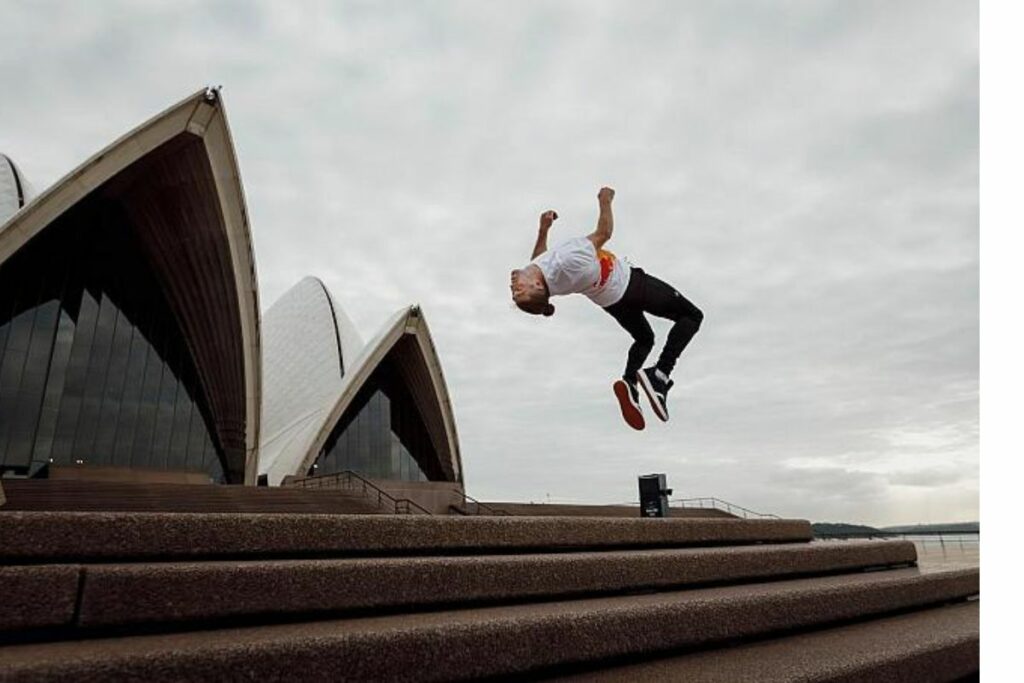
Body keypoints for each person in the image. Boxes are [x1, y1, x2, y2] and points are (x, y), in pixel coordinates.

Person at [510, 187, 704, 430]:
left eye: (514, 291)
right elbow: (604, 233)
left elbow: (538, 259)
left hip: (612, 302)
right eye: (519, 290)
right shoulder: (569, 260)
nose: (513, 286)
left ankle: (630, 383)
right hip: (630, 285)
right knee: (692, 316)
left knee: (645, 339)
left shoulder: (546, 277)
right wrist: (605, 200)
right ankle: (660, 375)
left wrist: (543, 230)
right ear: (537, 284)